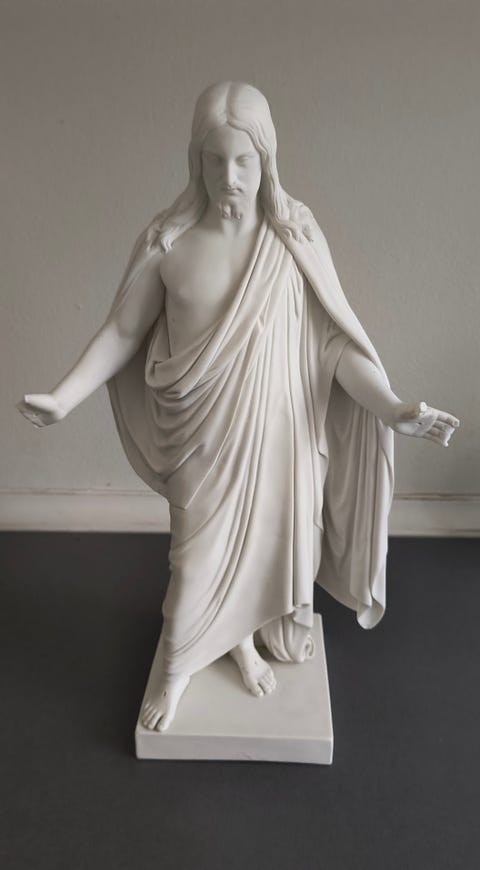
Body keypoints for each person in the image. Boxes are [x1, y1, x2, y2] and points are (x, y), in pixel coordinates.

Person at [17, 81, 460, 733]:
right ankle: (175, 667)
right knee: (194, 564)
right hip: (200, 441)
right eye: (216, 159)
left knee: (269, 552)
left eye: (245, 161)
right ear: (195, 161)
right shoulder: (169, 243)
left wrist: (392, 408)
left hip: (279, 439)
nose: (230, 176)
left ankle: (242, 644)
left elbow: (336, 348)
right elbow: (122, 331)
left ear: (267, 159)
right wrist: (64, 396)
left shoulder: (293, 239)